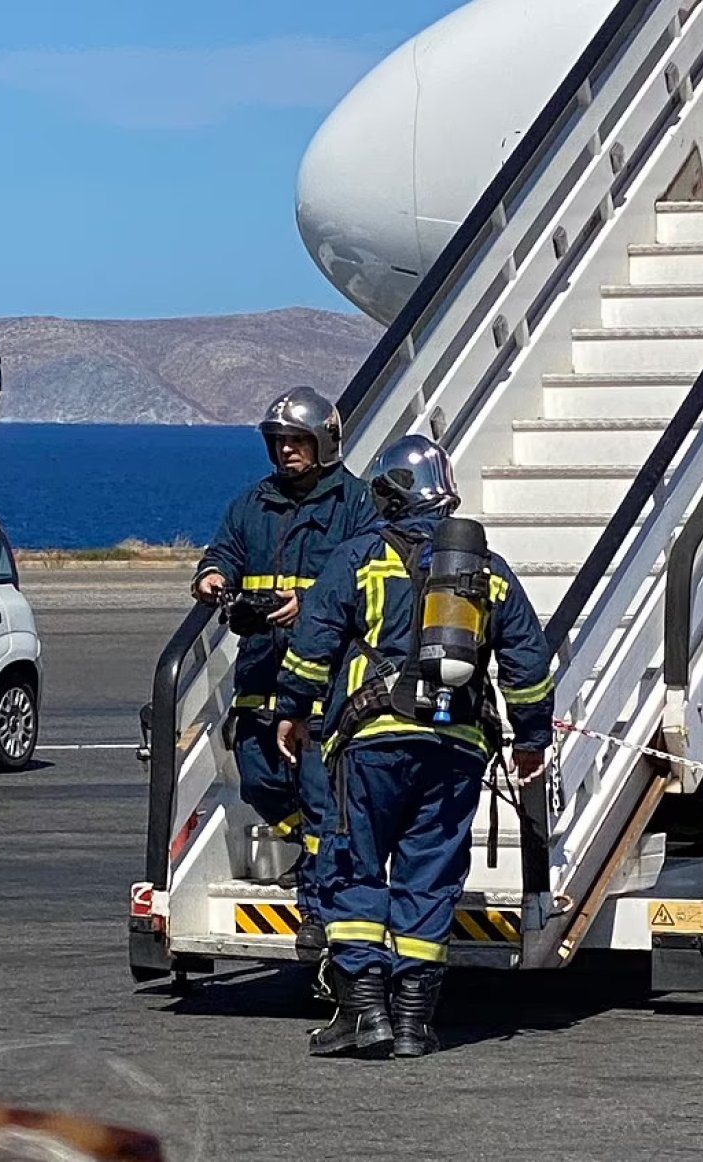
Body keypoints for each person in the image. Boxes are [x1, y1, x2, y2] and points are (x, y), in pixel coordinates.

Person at [275, 434, 554, 1058]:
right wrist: (531, 737)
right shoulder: (485, 570)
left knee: (355, 869)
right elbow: (528, 663)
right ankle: (411, 1023)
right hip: (457, 746)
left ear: (387, 495)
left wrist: (291, 712)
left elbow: (312, 646)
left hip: (371, 745)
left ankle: (364, 1013)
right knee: (430, 877)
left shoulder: (357, 559)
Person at [192, 386, 377, 955]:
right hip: (262, 668)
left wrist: (318, 603)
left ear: (323, 442)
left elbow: (372, 572)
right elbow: (223, 550)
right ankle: (318, 850)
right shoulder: (254, 504)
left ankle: (319, 910)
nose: (288, 451)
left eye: (297, 440)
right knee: (259, 774)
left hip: (327, 671)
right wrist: (211, 577)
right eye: (279, 442)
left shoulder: (355, 503)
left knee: (321, 789)